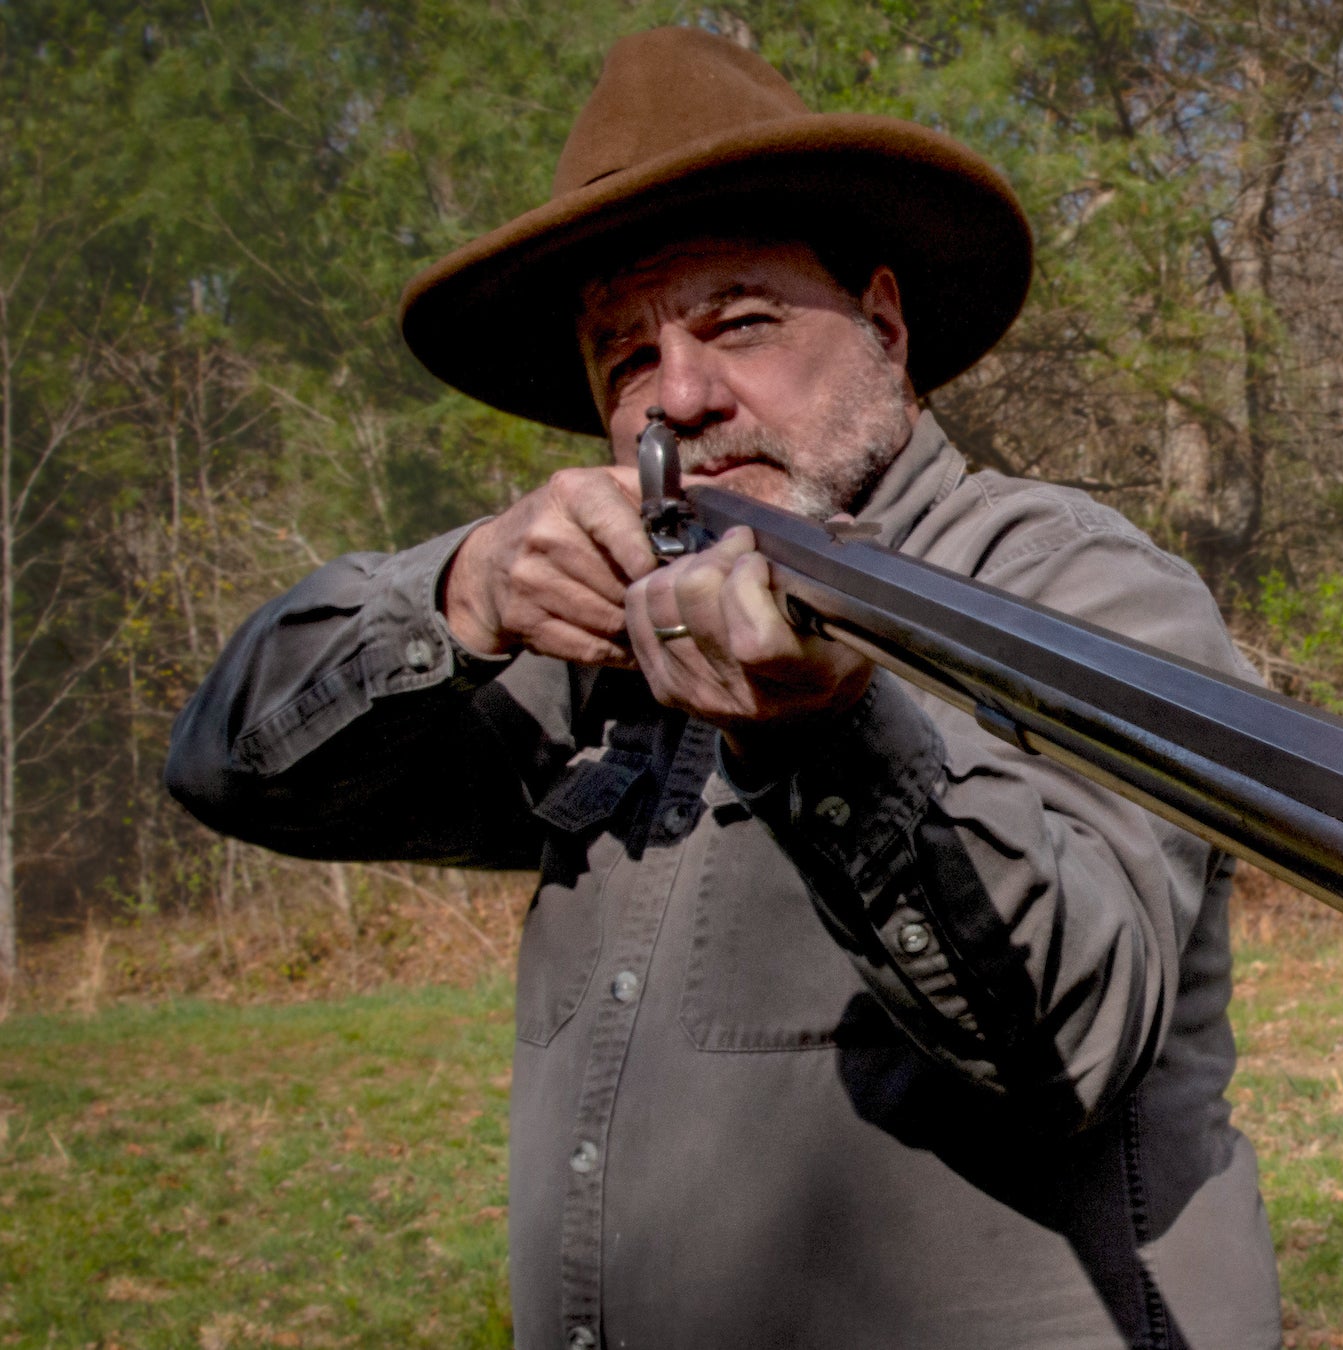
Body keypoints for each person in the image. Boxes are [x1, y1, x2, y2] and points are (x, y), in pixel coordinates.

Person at [165, 26, 1281, 1350]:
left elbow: (1067, 1038)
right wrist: (459, 594)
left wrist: (829, 735)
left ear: (884, 326)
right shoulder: (594, 637)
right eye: (626, 354)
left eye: (740, 321)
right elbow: (231, 768)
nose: (679, 397)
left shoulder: (1070, 584)